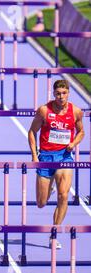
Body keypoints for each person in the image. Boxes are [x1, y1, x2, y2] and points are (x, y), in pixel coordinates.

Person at [28, 79, 84, 249]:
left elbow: (81, 132)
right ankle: (49, 188)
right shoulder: (44, 110)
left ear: (68, 93)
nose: (61, 97)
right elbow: (32, 132)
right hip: (45, 157)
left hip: (64, 157)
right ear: (54, 94)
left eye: (64, 93)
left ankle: (54, 234)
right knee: (41, 203)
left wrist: (73, 144)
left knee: (64, 196)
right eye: (58, 93)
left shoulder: (76, 111)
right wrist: (34, 156)